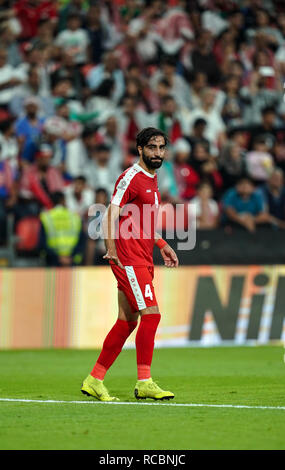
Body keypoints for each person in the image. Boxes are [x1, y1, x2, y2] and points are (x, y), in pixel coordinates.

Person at [81, 127, 178, 402]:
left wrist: (162, 244)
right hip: (128, 257)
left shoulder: (152, 178)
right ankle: (144, 381)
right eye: (152, 148)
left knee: (126, 322)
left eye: (161, 148)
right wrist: (111, 248)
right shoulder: (131, 177)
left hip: (142, 256)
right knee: (152, 315)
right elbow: (111, 214)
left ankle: (94, 379)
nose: (157, 153)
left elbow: (140, 222)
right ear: (140, 149)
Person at [39, 191, 85, 267]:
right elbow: (82, 241)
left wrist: (58, 258)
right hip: (72, 261)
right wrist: (70, 257)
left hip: (52, 261)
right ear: (63, 201)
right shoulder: (75, 217)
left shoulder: (46, 217)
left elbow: (42, 244)